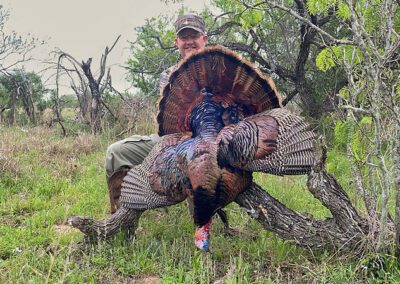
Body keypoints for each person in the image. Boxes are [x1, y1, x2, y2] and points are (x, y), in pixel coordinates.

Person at [105, 14, 208, 213]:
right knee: (116, 152)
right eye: (184, 37)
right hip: (172, 142)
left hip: (211, 145)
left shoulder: (221, 69)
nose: (189, 42)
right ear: (176, 42)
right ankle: (120, 218)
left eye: (193, 36)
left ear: (204, 38)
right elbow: (167, 121)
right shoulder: (168, 76)